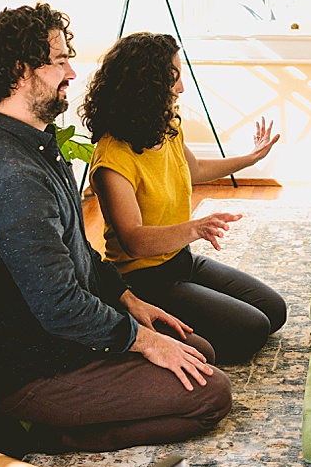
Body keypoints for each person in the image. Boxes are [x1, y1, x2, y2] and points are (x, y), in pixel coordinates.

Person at [0, 4, 231, 453]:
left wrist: (128, 299)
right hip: (41, 368)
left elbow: (78, 253)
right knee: (211, 393)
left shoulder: (35, 145)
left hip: (65, 342)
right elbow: (60, 305)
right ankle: (37, 431)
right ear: (21, 73)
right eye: (60, 60)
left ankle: (46, 416)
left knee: (198, 350)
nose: (71, 71)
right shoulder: (13, 178)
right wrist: (141, 342)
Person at [80, 32, 288, 365]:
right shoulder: (112, 160)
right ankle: (139, 322)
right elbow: (133, 241)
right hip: (143, 278)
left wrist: (250, 158)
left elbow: (193, 169)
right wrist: (196, 228)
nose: (180, 89)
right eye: (172, 78)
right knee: (251, 330)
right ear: (145, 86)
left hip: (181, 260)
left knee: (274, 311)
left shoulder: (165, 128)